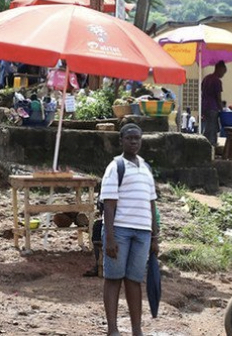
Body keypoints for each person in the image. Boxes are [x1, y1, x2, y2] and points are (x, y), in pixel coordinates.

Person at [100, 123, 159, 336]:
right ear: (121, 141)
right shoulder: (115, 167)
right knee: (114, 278)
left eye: (137, 138)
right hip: (120, 231)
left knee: (134, 281)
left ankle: (136, 330)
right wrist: (110, 238)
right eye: (129, 138)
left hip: (142, 233)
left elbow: (152, 204)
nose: (134, 142)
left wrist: (155, 235)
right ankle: (113, 329)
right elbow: (109, 204)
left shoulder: (146, 168)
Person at [200, 61, 226, 145]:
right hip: (212, 108)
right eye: (223, 72)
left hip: (204, 107)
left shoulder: (206, 78)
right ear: (219, 69)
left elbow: (202, 92)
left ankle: (209, 145)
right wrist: (222, 110)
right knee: (211, 129)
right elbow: (218, 98)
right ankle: (210, 146)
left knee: (208, 127)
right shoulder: (217, 81)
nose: (223, 75)